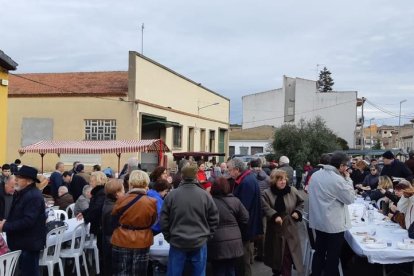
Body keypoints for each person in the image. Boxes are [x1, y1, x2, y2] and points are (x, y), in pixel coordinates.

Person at [161, 162, 219, 276]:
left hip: (178, 241)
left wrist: (169, 237)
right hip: (199, 241)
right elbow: (214, 218)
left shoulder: (172, 195)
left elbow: (163, 219)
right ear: (196, 176)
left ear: (182, 176)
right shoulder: (205, 195)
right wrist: (207, 235)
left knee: (174, 273)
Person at [308, 151, 354, 276]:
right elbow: (350, 199)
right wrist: (348, 179)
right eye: (346, 166)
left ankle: (316, 273)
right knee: (332, 257)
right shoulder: (337, 179)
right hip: (334, 225)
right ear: (341, 166)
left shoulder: (316, 175)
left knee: (319, 253)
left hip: (319, 221)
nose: (346, 169)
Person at [0, 165, 46, 276]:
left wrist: (5, 226)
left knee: (29, 272)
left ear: (29, 181)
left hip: (28, 244)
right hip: (22, 242)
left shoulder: (33, 196)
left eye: (19, 178)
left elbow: (28, 221)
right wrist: (6, 222)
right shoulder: (22, 192)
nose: (16, 180)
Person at [111, 170, 157, 275]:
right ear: (146, 183)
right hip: (143, 240)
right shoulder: (151, 202)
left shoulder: (121, 200)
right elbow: (152, 221)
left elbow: (113, 217)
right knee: (139, 272)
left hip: (121, 238)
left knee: (122, 272)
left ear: (130, 183)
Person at [262, 169, 304, 276]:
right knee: (276, 254)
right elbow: (264, 207)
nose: (283, 182)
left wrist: (297, 212)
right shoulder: (267, 193)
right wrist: (274, 215)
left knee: (287, 255)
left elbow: (301, 203)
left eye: (284, 179)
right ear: (274, 181)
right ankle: (276, 272)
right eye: (280, 180)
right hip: (275, 229)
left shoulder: (292, 190)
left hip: (290, 228)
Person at [227, 158, 263, 276]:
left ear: (237, 170)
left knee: (243, 261)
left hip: (245, 227)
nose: (228, 172)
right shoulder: (248, 178)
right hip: (247, 225)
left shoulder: (246, 181)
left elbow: (243, 209)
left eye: (229, 169)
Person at [208, 177, 249, 276]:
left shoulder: (209, 202)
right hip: (234, 240)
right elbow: (246, 218)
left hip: (216, 241)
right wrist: (236, 227)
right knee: (231, 268)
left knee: (219, 269)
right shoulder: (236, 201)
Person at [78, 171, 107, 272]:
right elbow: (94, 208)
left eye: (92, 180)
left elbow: (96, 209)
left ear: (98, 181)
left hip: (100, 226)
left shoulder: (101, 193)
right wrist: (84, 213)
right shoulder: (100, 192)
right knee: (102, 252)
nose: (90, 182)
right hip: (100, 226)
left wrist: (87, 216)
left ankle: (103, 272)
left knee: (103, 253)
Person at [102, 179, 124, 276]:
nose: (124, 192)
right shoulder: (113, 208)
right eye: (122, 190)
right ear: (116, 194)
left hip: (109, 240)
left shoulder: (109, 203)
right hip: (112, 242)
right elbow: (113, 228)